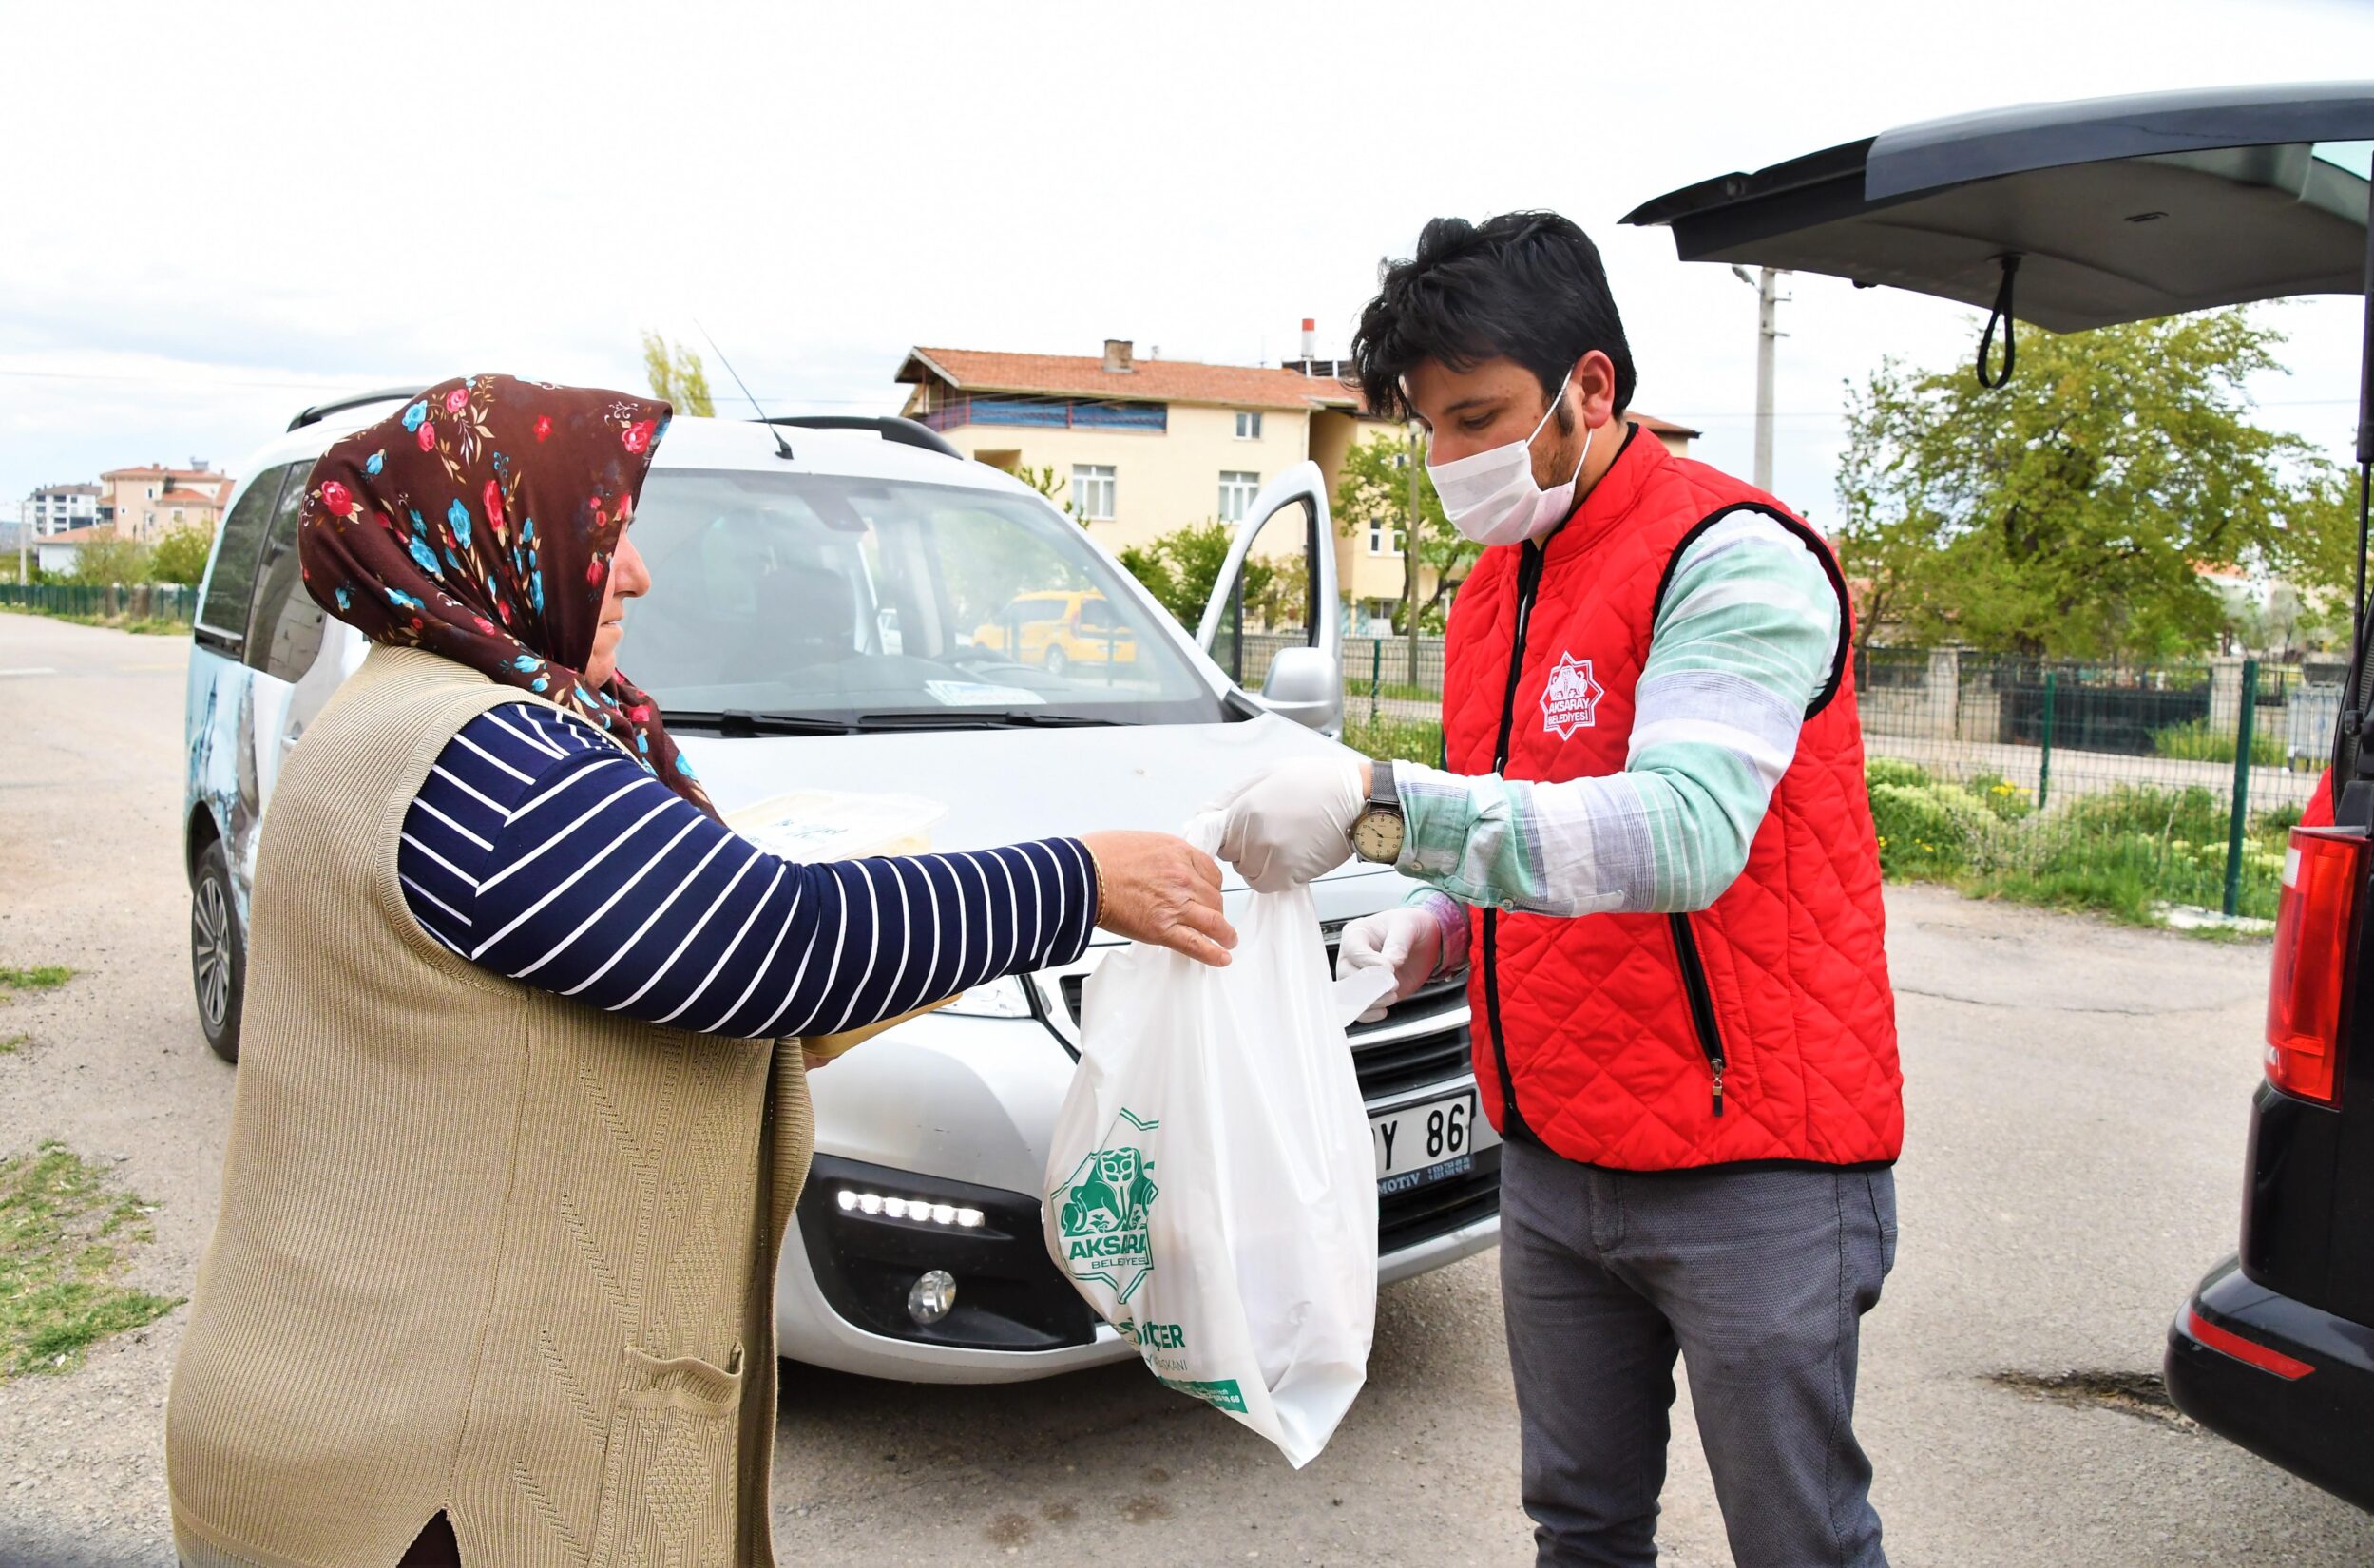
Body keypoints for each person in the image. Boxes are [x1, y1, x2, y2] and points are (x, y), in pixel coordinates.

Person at [163, 375, 1235, 1568]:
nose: (635, 575)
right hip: (427, 1479)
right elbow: (771, 948)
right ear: (498, 541)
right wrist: (1077, 883)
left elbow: (694, 987)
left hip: (369, 1417)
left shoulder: (426, 717)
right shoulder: (480, 756)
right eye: (602, 534)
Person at [1213, 214, 1903, 1568]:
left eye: (1482, 415)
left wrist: (1381, 809)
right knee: (1579, 1528)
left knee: (1800, 1539)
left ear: (1592, 387)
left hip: (1749, 1158)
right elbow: (1531, 815)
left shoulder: (1735, 556)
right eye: (1429, 425)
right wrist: (1436, 926)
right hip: (1552, 1147)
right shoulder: (1490, 594)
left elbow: (1681, 831)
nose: (1452, 457)